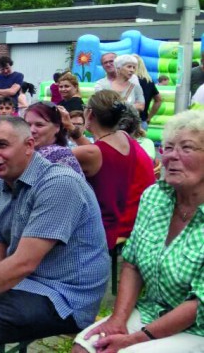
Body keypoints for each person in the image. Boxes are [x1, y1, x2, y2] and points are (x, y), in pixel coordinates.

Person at [0, 116, 110, 352]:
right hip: (29, 284)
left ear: (29, 146)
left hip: (66, 296)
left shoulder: (58, 183)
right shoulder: (2, 185)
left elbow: (23, 263)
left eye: (1, 145)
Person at [72, 110, 204, 352]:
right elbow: (131, 263)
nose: (172, 156)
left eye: (186, 148)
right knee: (85, 347)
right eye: (167, 148)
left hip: (198, 326)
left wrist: (133, 340)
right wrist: (117, 320)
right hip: (152, 310)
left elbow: (199, 304)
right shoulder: (156, 197)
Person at [66, 90, 155, 250]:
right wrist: (71, 128)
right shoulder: (122, 136)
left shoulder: (94, 153)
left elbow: (41, 162)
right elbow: (96, 151)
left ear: (90, 113)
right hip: (133, 217)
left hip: (110, 227)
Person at [24, 103, 82, 174]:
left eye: (39, 125)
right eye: (28, 125)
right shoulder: (25, 151)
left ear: (57, 127)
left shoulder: (60, 155)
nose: (31, 130)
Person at [132, 54, 162, 129]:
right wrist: (149, 117)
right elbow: (158, 100)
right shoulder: (149, 81)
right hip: (143, 120)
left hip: (129, 121)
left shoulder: (129, 81)